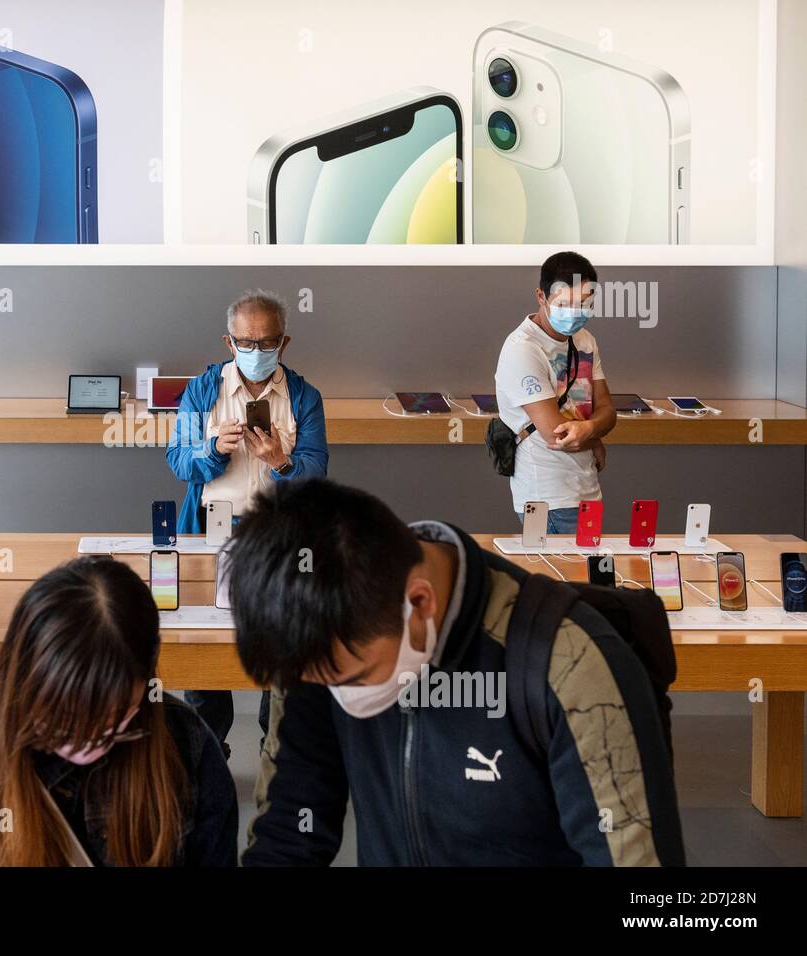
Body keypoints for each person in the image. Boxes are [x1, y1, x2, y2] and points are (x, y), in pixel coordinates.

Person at [231, 478, 684, 866]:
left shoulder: (567, 664)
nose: (338, 696)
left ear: (420, 604)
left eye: (354, 679)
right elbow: (289, 834)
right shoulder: (320, 644)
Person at [0, 557, 237, 867]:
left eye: (110, 716)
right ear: (25, 676)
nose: (84, 736)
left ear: (146, 680)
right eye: (63, 715)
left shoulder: (188, 747)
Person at [165, 289, 329, 752]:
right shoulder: (202, 392)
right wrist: (213, 451)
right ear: (228, 341)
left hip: (279, 539)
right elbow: (179, 460)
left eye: (268, 342)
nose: (257, 352)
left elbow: (316, 472)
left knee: (280, 652)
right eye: (247, 342)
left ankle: (273, 750)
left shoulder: (303, 396)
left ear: (285, 342)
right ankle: (206, 754)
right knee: (203, 650)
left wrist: (280, 462)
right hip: (210, 534)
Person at [495, 251, 617, 534]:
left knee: (588, 576)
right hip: (546, 495)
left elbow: (608, 411)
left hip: (587, 490)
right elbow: (557, 434)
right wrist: (595, 435)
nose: (575, 312)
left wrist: (589, 430)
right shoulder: (522, 348)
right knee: (560, 577)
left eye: (585, 303)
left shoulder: (585, 340)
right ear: (541, 296)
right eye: (565, 303)